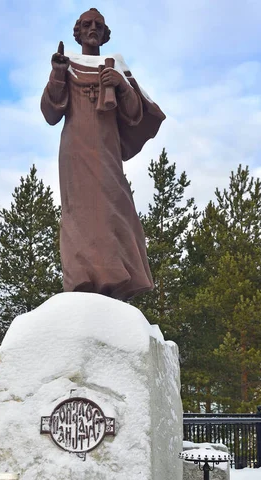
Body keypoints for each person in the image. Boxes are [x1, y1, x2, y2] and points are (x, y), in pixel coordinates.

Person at [41, 8, 165, 301]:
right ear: (78, 31)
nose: (92, 28)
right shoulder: (66, 65)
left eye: (98, 25)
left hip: (107, 151)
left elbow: (135, 114)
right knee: (79, 213)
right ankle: (82, 280)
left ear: (105, 33)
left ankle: (116, 282)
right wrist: (58, 74)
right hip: (75, 150)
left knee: (115, 210)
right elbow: (50, 113)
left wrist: (121, 85)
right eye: (87, 24)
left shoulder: (116, 67)